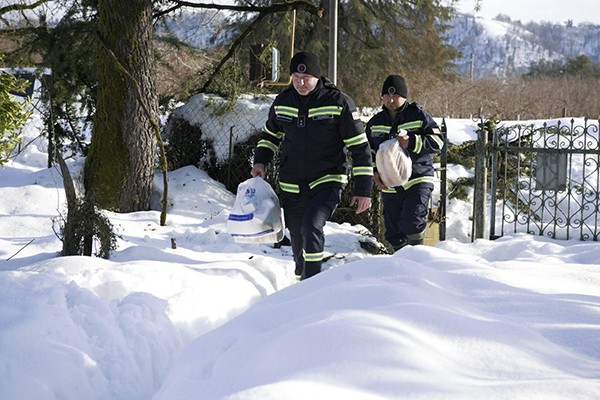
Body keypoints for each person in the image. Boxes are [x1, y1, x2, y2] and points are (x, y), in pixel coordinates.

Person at [251, 51, 373, 280]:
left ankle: (312, 283)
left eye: (306, 78)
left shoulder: (338, 102)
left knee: (311, 226)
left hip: (327, 180)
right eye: (296, 77)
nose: (301, 82)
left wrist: (363, 190)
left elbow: (360, 148)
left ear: (317, 76)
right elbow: (269, 136)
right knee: (297, 236)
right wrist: (260, 161)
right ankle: (301, 280)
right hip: (292, 184)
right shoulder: (283, 101)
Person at [366, 74, 444, 251]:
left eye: (396, 96)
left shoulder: (419, 116)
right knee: (393, 230)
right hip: (390, 181)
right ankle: (400, 262)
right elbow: (368, 152)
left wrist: (412, 142)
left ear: (405, 97)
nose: (391, 99)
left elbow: (438, 142)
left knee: (412, 221)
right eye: (387, 95)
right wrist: (375, 173)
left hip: (418, 177)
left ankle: (417, 258)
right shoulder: (374, 123)